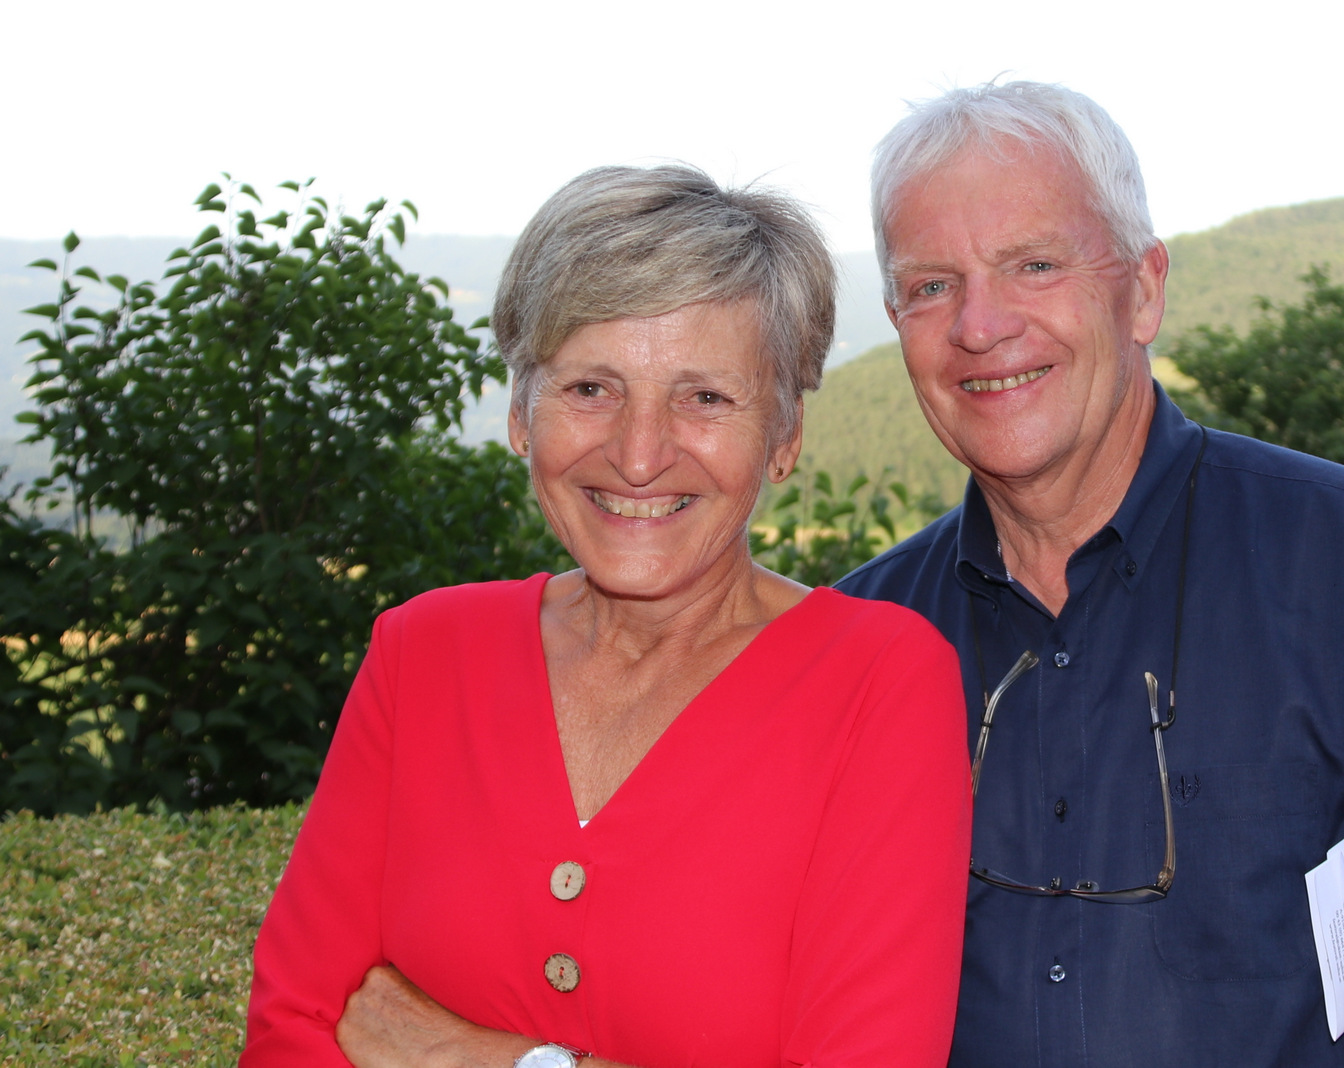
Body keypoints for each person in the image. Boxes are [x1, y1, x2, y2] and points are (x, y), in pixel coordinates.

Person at [833, 80, 1344, 1066]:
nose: (980, 325)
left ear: (1145, 289)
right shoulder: (857, 639)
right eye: (932, 286)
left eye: (1034, 264)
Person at [242, 164, 972, 1068]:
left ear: (783, 437)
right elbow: (293, 1032)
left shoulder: (877, 684)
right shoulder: (421, 654)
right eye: (591, 388)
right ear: (521, 413)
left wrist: (478, 1058)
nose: (638, 454)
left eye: (705, 398)